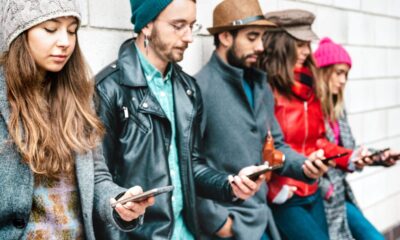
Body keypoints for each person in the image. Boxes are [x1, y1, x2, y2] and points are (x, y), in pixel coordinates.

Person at [94, 0, 266, 239]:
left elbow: (191, 165)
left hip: (187, 233)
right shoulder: (108, 89)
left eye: (191, 26)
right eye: (178, 26)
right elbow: (96, 182)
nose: (189, 37)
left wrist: (230, 184)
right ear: (146, 25)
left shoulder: (188, 89)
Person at [0, 0, 153, 239]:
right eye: (51, 29)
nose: (65, 42)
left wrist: (118, 202)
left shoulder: (79, 95)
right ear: (19, 33)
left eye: (72, 30)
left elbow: (96, 177)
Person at [195, 2, 327, 239]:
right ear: (225, 37)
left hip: (262, 217)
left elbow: (276, 146)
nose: (260, 46)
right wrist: (217, 222)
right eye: (252, 37)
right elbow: (189, 163)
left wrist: (306, 165)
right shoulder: (199, 89)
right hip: (230, 224)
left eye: (262, 38)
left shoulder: (260, 85)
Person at [258, 9, 365, 240]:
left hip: (312, 190)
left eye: (308, 44)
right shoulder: (265, 87)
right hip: (285, 196)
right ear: (281, 44)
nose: (308, 52)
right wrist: (273, 189)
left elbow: (318, 141)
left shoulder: (311, 86)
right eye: (300, 44)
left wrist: (351, 157)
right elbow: (261, 146)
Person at [314, 37, 400, 240]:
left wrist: (379, 156)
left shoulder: (337, 109)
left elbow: (350, 151)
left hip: (340, 195)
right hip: (319, 196)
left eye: (346, 74)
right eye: (338, 73)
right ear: (323, 72)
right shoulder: (310, 108)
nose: (343, 80)